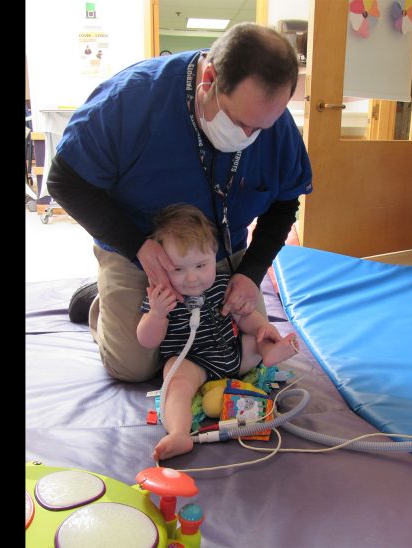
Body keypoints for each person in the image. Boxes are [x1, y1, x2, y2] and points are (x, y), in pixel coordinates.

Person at [47, 22, 313, 384]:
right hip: (138, 246)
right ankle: (102, 299)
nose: (249, 138)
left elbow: (284, 206)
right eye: (240, 122)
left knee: (249, 352)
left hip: (220, 250)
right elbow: (65, 180)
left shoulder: (275, 125)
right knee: (133, 367)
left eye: (261, 128)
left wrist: (250, 275)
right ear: (209, 79)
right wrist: (136, 247)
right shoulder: (133, 100)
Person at [137, 204, 299, 461]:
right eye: (178, 269)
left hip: (233, 355)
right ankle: (179, 432)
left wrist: (262, 328)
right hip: (192, 362)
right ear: (162, 266)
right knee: (176, 381)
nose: (192, 278)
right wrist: (156, 314)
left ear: (215, 257)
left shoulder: (223, 284)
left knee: (254, 337)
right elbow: (147, 340)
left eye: (201, 266)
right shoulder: (162, 295)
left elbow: (244, 317)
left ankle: (270, 352)